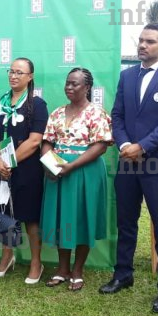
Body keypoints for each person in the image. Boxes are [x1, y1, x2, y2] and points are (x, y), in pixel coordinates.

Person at [99, 23, 158, 313]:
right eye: (140, 40)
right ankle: (123, 274)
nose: (142, 45)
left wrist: (143, 146)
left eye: (150, 41)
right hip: (127, 160)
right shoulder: (127, 76)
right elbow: (117, 115)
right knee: (125, 221)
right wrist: (126, 145)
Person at [40, 68, 112, 291]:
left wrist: (71, 166)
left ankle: (78, 270)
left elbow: (101, 146)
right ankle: (62, 269)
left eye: (75, 84)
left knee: (82, 218)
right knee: (63, 219)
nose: (69, 87)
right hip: (58, 171)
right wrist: (49, 164)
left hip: (85, 171)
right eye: (67, 83)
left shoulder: (96, 113)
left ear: (87, 87)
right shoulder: (57, 113)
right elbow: (47, 142)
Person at [0, 57, 48, 283]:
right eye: (11, 71)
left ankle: (36, 262)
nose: (13, 76)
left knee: (30, 217)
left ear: (30, 77)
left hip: (27, 169)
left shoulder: (37, 104)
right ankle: (7, 257)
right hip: (1, 168)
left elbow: (35, 141)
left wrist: (8, 163)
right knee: (3, 213)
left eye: (19, 72)